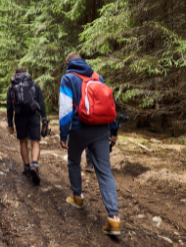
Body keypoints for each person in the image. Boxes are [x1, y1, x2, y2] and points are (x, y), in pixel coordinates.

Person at [59, 52, 121, 235]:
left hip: (79, 129)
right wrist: (114, 130)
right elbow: (111, 104)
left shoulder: (68, 78)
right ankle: (114, 219)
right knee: (104, 170)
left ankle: (77, 197)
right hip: (101, 129)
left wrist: (64, 134)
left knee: (73, 162)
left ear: (68, 62)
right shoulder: (97, 77)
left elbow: (65, 109)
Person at [7, 68, 47, 185]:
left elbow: (9, 106)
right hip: (33, 115)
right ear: (27, 74)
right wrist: (44, 119)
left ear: (16, 74)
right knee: (35, 141)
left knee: (23, 142)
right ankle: (35, 164)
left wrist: (10, 123)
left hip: (19, 116)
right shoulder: (33, 84)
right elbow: (41, 102)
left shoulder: (11, 87)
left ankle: (26, 167)